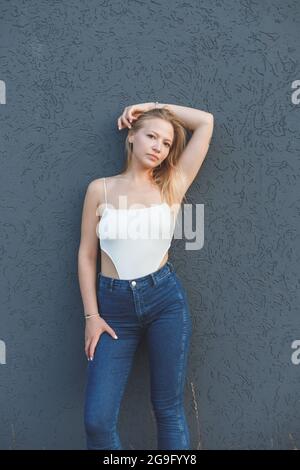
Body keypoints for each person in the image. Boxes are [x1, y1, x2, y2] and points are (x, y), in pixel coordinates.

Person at [78, 101, 214, 450]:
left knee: (168, 409)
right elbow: (86, 254)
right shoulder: (100, 189)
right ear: (131, 137)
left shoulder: (172, 183)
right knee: (97, 420)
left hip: (164, 301)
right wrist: (92, 316)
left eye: (166, 143)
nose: (158, 146)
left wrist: (150, 106)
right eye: (151, 135)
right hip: (113, 311)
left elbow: (206, 122)